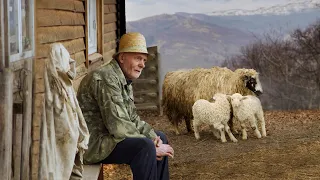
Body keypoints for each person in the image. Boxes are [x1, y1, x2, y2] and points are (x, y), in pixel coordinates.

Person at [77, 32, 174, 180]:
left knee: (160, 137)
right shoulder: (106, 78)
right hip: (93, 145)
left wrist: (153, 138)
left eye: (144, 60)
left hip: (109, 138)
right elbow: (119, 126)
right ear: (122, 57)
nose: (142, 64)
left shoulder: (123, 79)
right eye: (138, 58)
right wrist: (152, 146)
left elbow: (132, 118)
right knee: (145, 147)